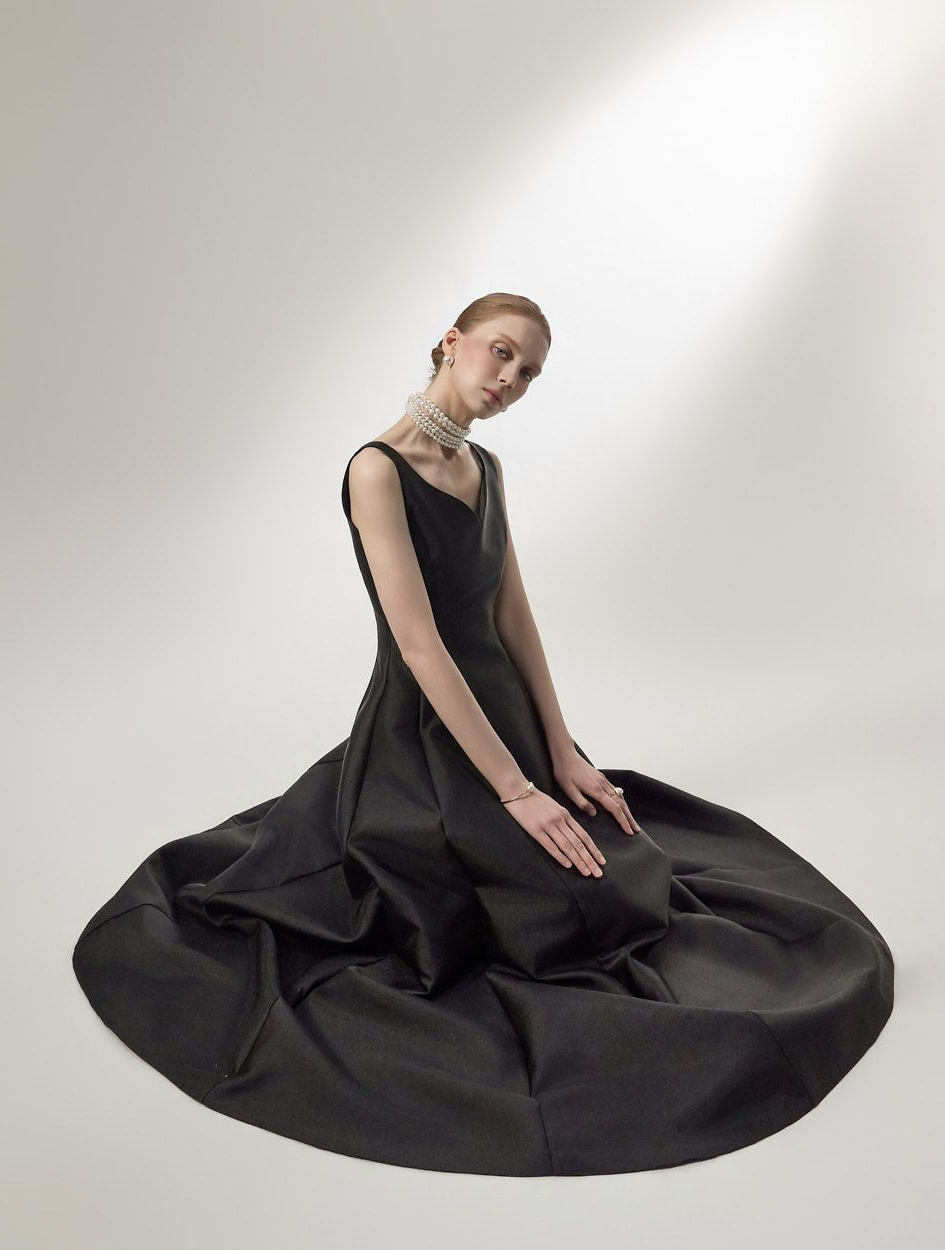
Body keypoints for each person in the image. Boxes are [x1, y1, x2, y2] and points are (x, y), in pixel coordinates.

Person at [73, 292, 894, 1177]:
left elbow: (513, 615)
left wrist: (561, 752)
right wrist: (514, 792)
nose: (510, 379)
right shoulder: (376, 469)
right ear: (451, 342)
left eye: (529, 371)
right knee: (538, 907)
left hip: (503, 714)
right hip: (421, 731)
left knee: (615, 869)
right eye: (501, 352)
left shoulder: (486, 466)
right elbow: (421, 646)